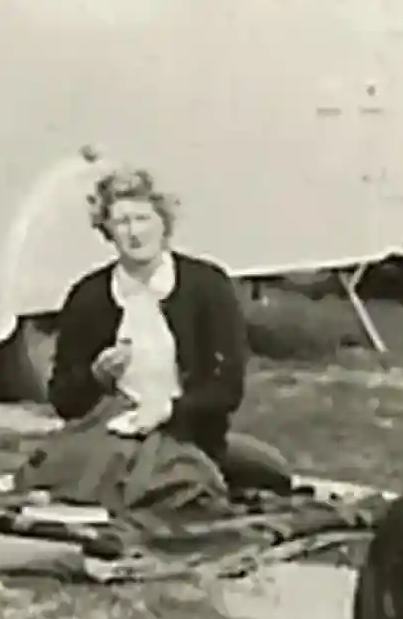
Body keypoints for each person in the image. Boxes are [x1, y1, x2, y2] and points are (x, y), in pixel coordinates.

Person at [45, 165, 250, 467]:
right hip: (107, 442)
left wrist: (168, 410)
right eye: (122, 222)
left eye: (143, 219)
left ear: (163, 224)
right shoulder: (88, 296)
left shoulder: (207, 285)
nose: (134, 232)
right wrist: (96, 378)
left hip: (189, 441)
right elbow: (64, 401)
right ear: (107, 231)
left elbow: (228, 389)